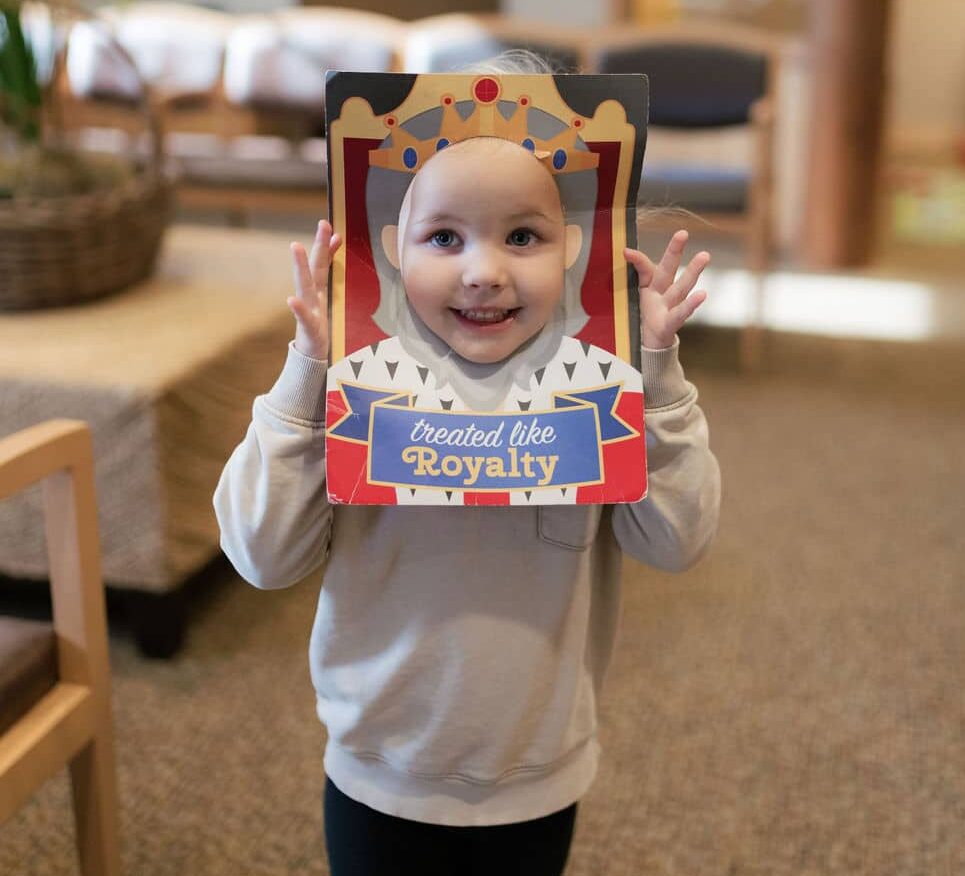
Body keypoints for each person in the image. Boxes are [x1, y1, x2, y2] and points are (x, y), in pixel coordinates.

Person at [214, 124, 721, 876]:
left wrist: (658, 384)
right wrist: (304, 387)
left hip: (537, 772)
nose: (482, 271)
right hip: (378, 768)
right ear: (391, 246)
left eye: (522, 235)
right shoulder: (355, 383)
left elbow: (676, 542)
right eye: (443, 237)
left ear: (575, 246)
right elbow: (262, 555)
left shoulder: (599, 384)